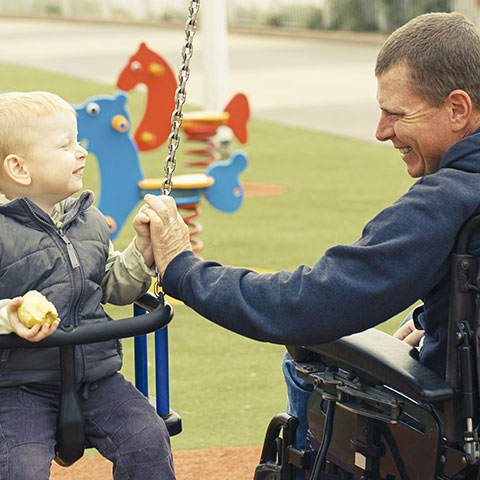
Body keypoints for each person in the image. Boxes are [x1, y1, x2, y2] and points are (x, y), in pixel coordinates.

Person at [146, 8, 480, 473]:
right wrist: (441, 318)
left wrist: (182, 267)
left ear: (458, 109)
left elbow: (307, 305)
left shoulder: (447, 202)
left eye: (395, 113)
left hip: (458, 427)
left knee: (309, 360)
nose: (381, 131)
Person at [0, 91, 175, 480]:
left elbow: (114, 285)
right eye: (65, 145)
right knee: (20, 467)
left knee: (148, 439)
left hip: (96, 377)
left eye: (78, 141)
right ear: (19, 168)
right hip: (18, 385)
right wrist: (8, 315)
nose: (81, 152)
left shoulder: (90, 221)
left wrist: (141, 250)